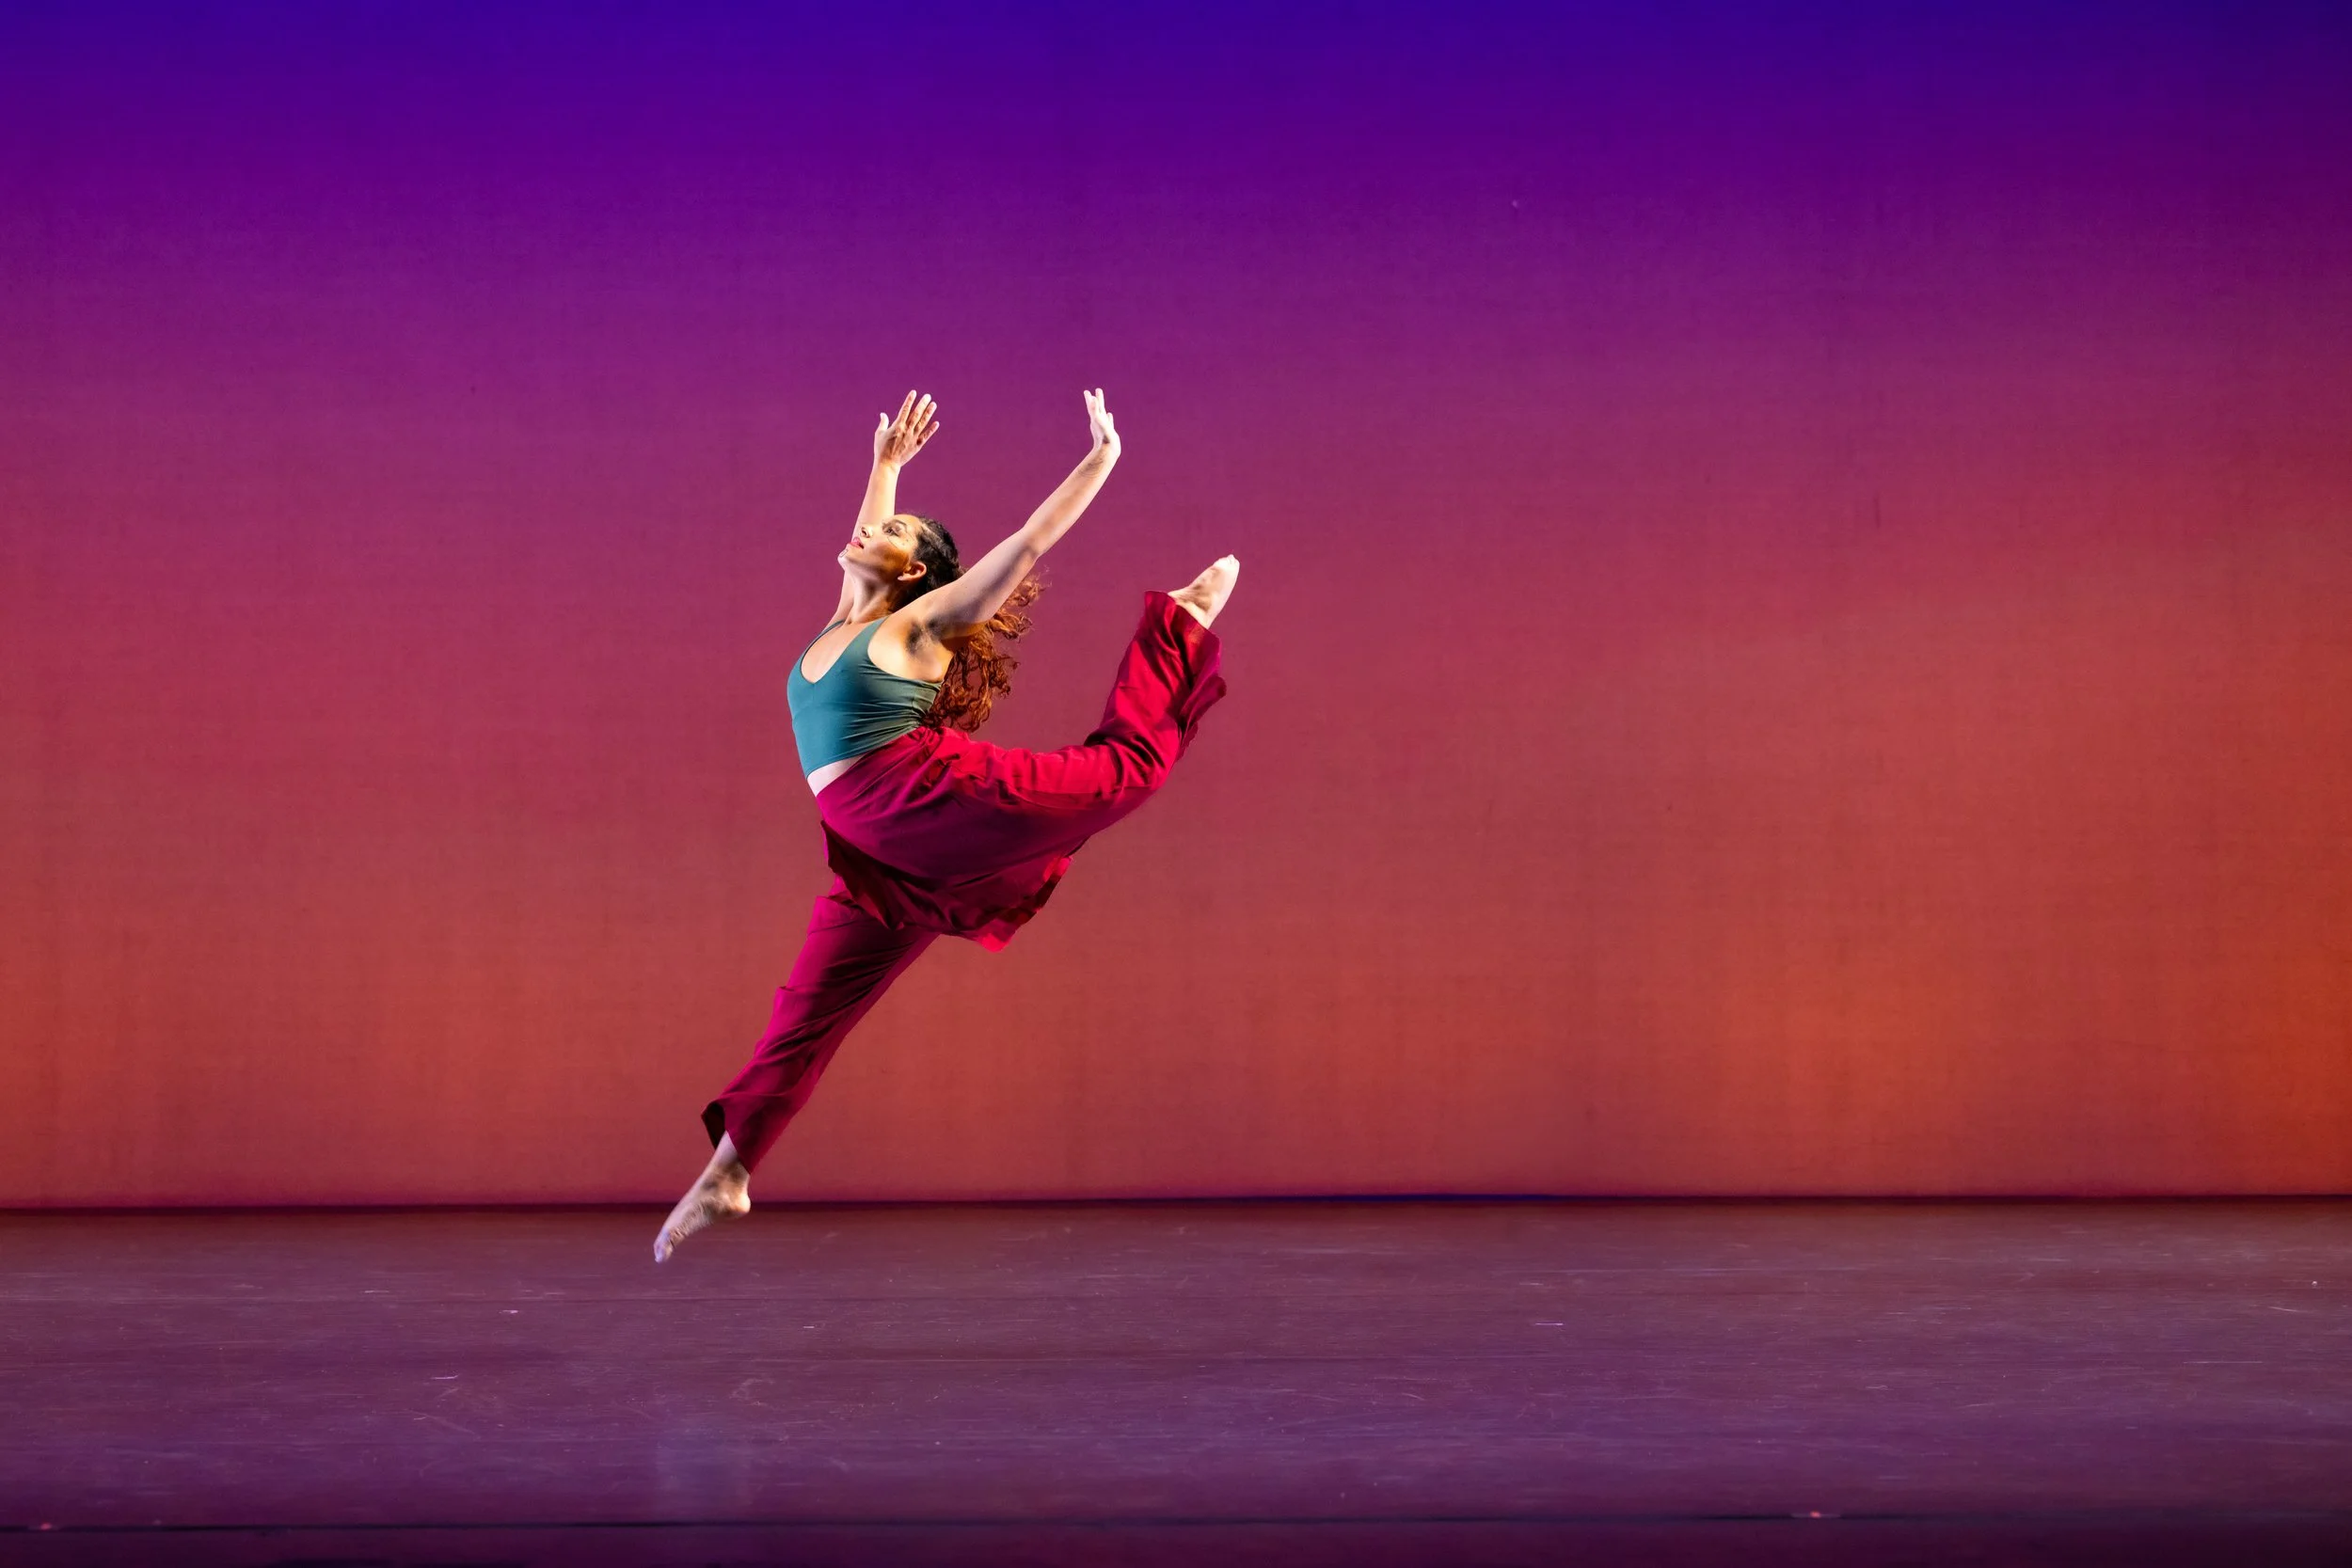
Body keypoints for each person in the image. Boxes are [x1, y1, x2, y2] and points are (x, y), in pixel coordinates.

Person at [655, 388, 1238, 1260]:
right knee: (808, 1009)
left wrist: (1098, 462)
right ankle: (728, 1174)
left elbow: (1030, 541)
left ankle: (1179, 624)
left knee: (1120, 775)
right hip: (876, 847)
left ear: (919, 575)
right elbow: (868, 542)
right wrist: (885, 469)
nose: (868, 533)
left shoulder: (923, 621)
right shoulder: (838, 624)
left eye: (890, 536)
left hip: (930, 796)